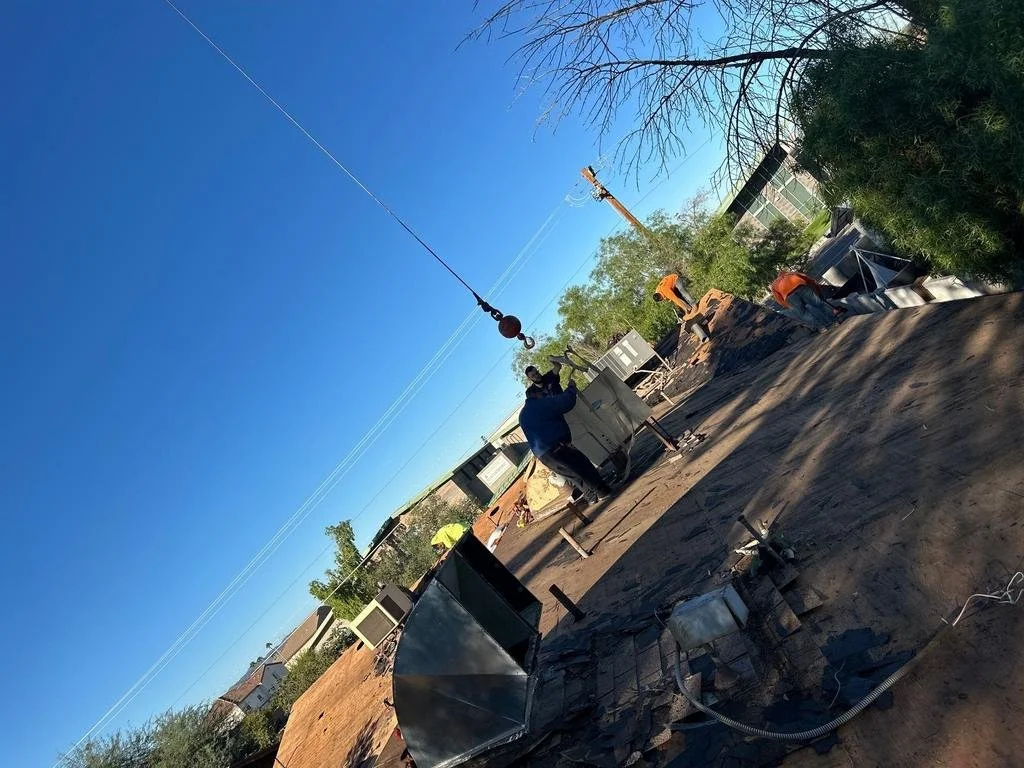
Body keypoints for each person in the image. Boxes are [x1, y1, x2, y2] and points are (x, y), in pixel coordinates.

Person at [518, 380, 612, 502]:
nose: (544, 394)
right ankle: (602, 492)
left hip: (544, 456)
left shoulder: (522, 415)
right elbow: (564, 403)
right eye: (542, 393)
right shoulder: (540, 404)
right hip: (557, 447)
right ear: (536, 395)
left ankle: (591, 497)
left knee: (573, 475)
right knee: (582, 465)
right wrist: (571, 388)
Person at [770, 271, 836, 329]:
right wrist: (817, 292)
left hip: (789, 296)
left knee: (803, 313)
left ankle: (821, 326)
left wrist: (789, 306)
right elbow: (810, 280)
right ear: (785, 272)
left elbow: (779, 299)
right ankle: (834, 321)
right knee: (819, 304)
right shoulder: (791, 274)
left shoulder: (774, 284)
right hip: (801, 287)